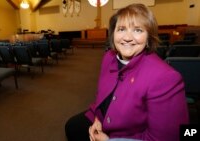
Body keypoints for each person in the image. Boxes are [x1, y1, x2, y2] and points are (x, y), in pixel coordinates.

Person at [65, 3, 189, 141]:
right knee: (72, 127)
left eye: (137, 30)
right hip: (104, 121)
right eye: (121, 29)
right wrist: (98, 118)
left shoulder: (165, 77)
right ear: (113, 34)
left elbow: (166, 138)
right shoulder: (108, 57)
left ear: (149, 37)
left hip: (129, 137)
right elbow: (103, 96)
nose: (127, 37)